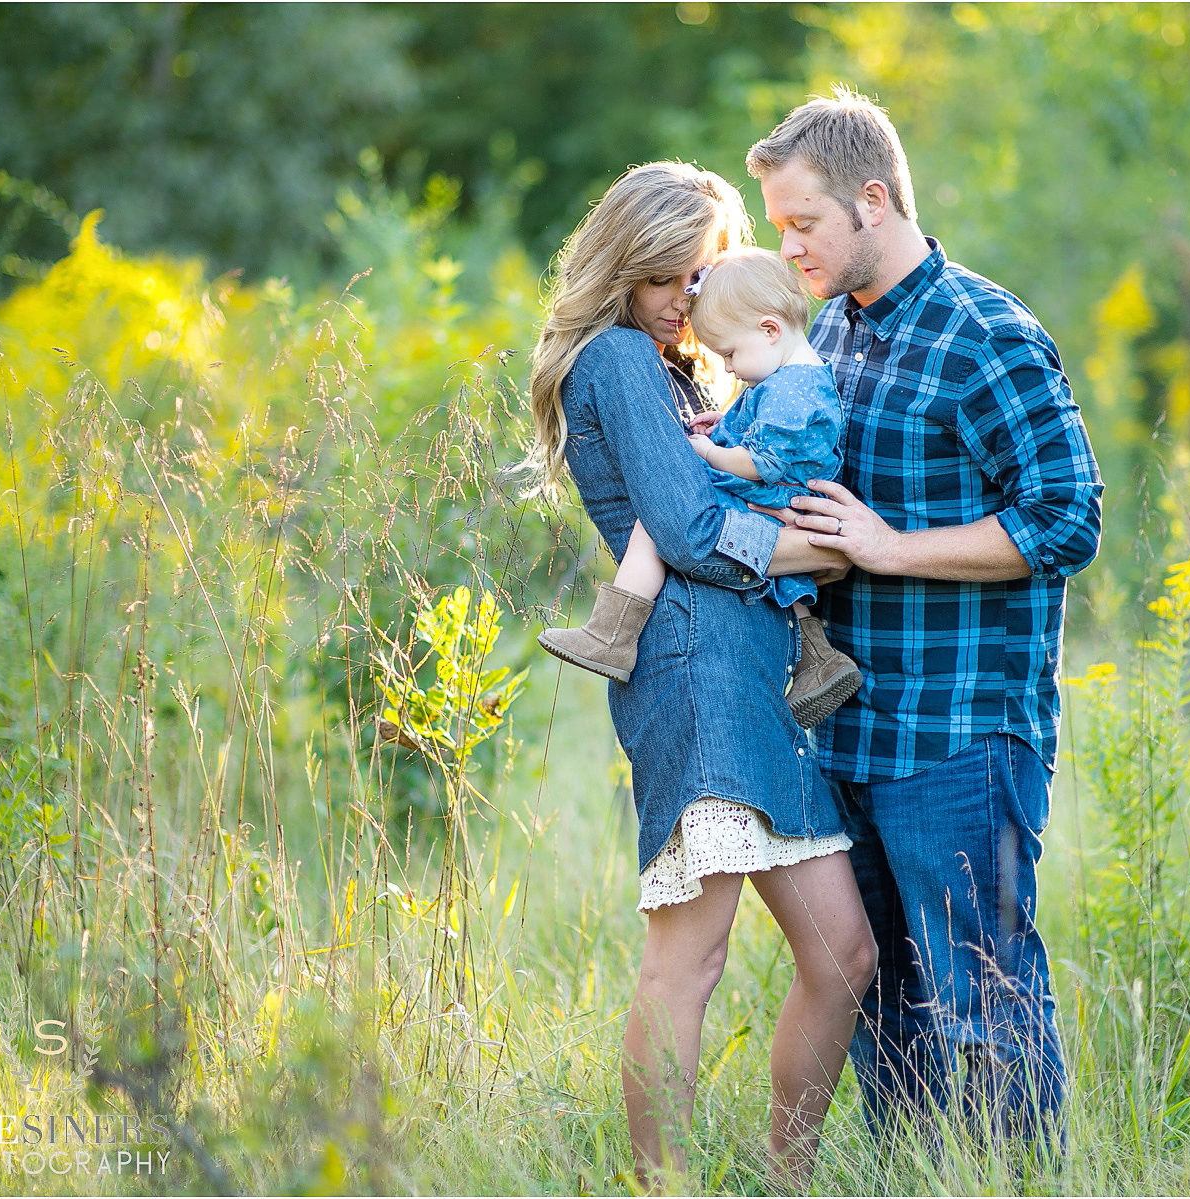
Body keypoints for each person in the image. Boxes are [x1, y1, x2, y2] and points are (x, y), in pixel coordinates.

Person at [745, 91, 1104, 1145]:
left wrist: (890, 547)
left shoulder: (985, 331)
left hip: (957, 735)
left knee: (983, 999)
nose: (788, 244)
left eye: (801, 221)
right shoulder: (829, 336)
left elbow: (1066, 518)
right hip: (846, 730)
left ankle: (1021, 1178)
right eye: (777, 226)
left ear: (872, 199)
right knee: (883, 1009)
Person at [523, 161, 877, 1191]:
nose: (693, 299)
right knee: (693, 956)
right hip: (688, 664)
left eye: (705, 274)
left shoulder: (688, 367)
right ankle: (661, 1185)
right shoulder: (619, 360)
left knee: (843, 956)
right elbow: (682, 527)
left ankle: (788, 1179)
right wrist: (817, 551)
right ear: (626, 267)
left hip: (754, 672)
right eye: (673, 277)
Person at [537, 246, 863, 729]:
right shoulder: (792, 374)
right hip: (788, 496)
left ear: (769, 329)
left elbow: (764, 459)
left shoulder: (794, 385)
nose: (728, 368)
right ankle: (818, 658)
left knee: (662, 515)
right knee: (776, 573)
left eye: (730, 354)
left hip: (777, 490)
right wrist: (726, 422)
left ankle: (613, 631)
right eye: (658, 281)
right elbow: (767, 423)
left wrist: (709, 453)